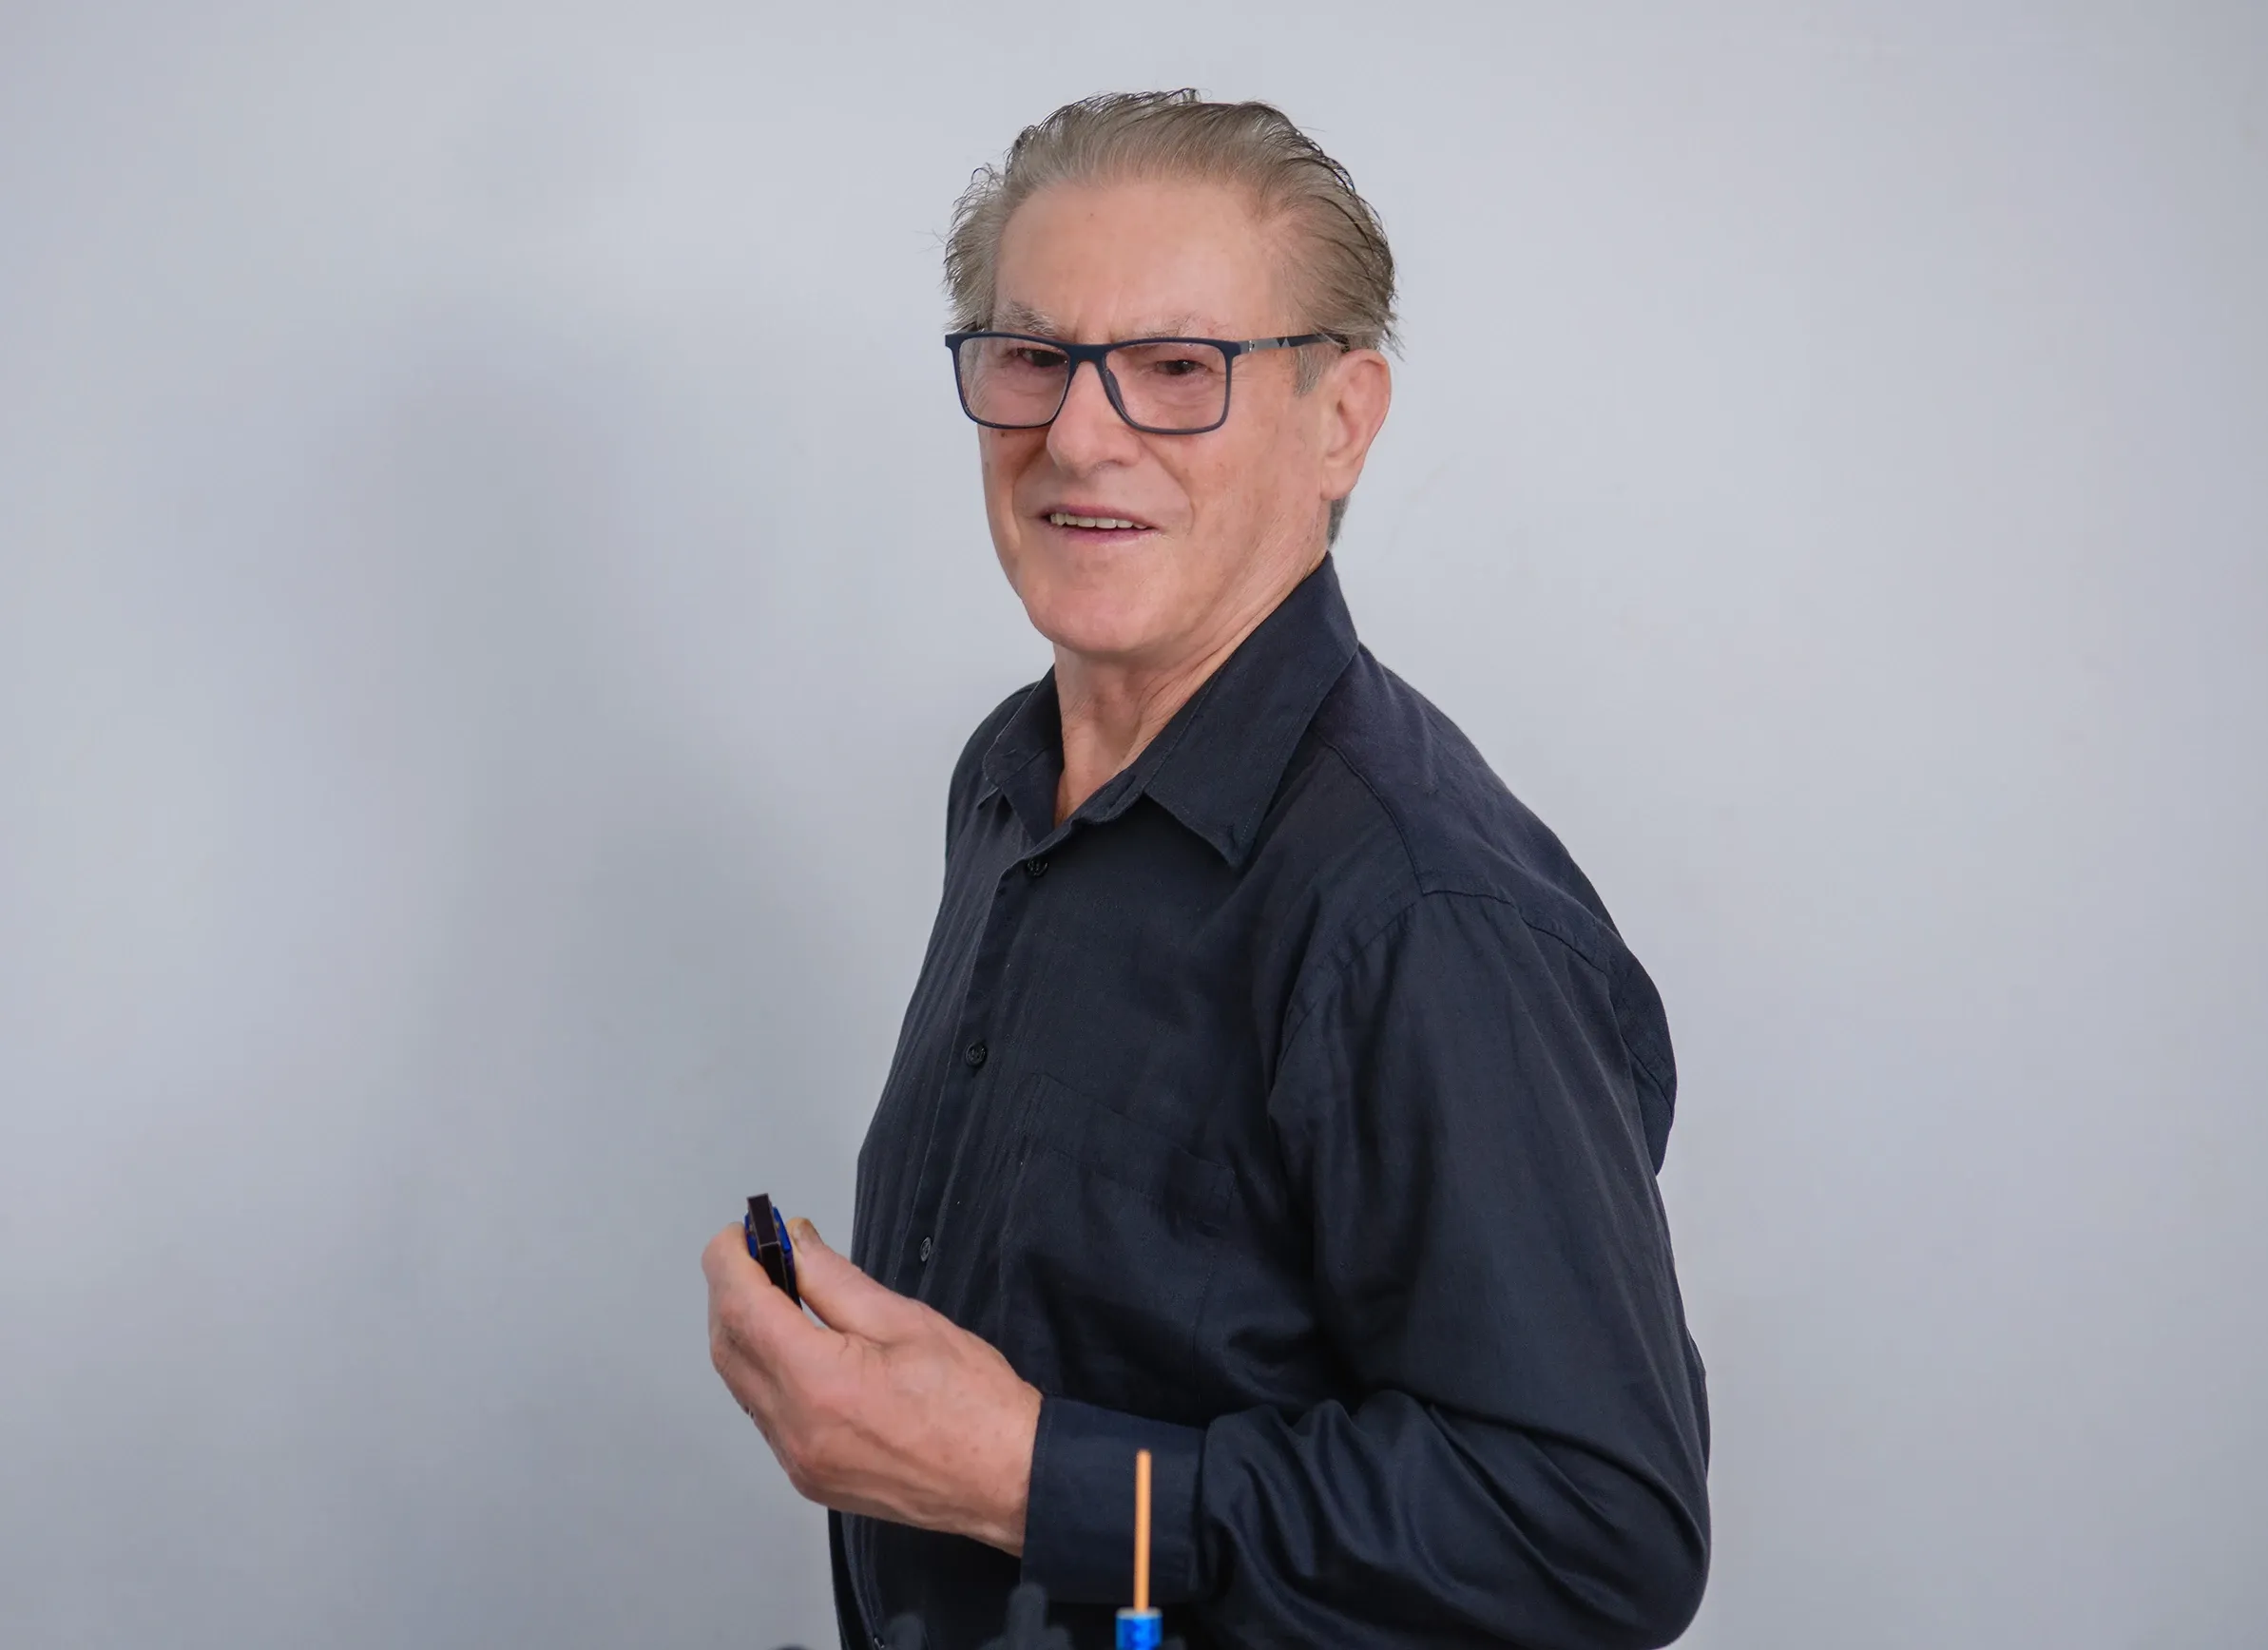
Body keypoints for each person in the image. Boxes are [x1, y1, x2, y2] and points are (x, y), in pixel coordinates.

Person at [704, 90, 1709, 1650]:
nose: (1079, 433)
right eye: (1034, 357)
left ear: (1340, 421)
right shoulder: (1008, 774)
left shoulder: (1419, 910)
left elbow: (1592, 1537)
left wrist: (1030, 1478)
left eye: (1178, 370)